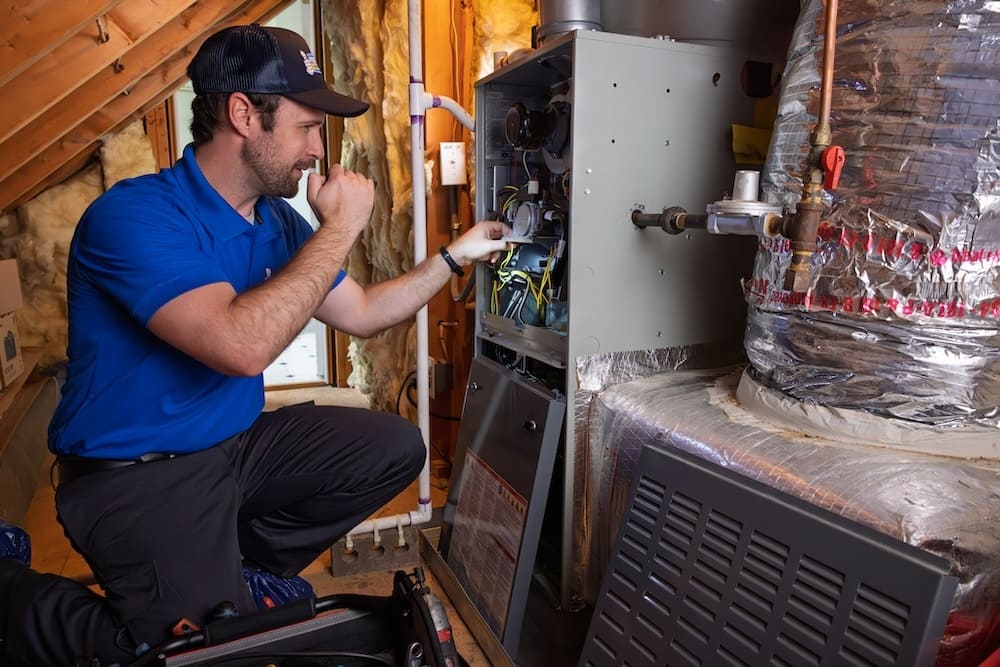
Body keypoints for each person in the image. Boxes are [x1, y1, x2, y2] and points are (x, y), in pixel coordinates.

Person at [0, 23, 510, 666]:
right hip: (133, 479)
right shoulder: (134, 216)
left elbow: (362, 313)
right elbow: (239, 346)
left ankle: (241, 576)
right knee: (198, 654)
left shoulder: (273, 219)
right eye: (306, 127)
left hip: (231, 452)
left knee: (392, 446)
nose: (317, 151)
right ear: (243, 114)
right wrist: (342, 228)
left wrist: (453, 257)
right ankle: (11, 595)